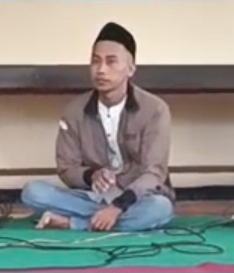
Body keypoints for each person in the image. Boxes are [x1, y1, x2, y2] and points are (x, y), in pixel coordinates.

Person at [21, 22, 175, 231]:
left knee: (160, 208)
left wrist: (118, 206)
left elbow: (154, 173)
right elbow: (66, 167)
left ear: (130, 69)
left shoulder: (155, 109)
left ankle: (74, 223)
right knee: (32, 192)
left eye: (111, 62)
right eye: (95, 61)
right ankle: (105, 220)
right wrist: (91, 175)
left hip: (135, 198)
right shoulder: (74, 111)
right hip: (93, 197)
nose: (101, 70)